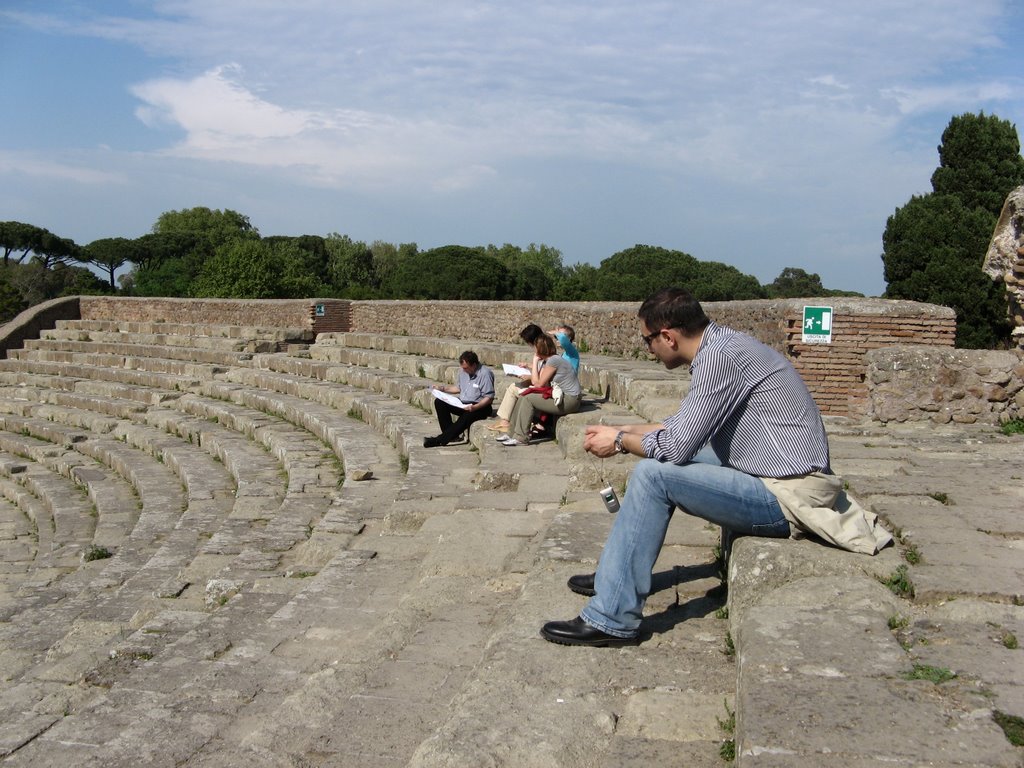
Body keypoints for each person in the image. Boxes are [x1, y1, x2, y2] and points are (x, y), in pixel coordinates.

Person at [540, 287, 889, 647]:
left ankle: (612, 617)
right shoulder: (723, 347)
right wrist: (622, 430)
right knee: (660, 460)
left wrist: (617, 443)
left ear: (668, 337)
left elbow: (675, 447)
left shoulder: (720, 359)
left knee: (654, 475)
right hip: (769, 471)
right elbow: (680, 429)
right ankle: (612, 579)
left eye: (647, 341)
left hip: (789, 496)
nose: (648, 349)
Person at [498, 333, 582, 447]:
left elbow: (538, 384)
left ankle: (521, 437)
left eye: (535, 347)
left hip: (570, 401)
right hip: (565, 397)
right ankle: (511, 433)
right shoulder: (552, 360)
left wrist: (535, 360)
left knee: (528, 399)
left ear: (540, 349)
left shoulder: (553, 361)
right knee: (523, 395)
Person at [424, 350, 495, 448]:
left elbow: (489, 397)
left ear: (474, 365)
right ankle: (451, 435)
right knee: (440, 402)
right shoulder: (463, 371)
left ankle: (439, 440)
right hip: (463, 403)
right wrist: (442, 389)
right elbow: (458, 388)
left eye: (466, 368)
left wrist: (475, 407)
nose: (463, 370)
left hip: (480, 406)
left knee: (466, 417)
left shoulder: (485, 374)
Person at [488, 324, 548, 433]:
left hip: (542, 389)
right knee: (513, 386)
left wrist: (528, 376)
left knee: (513, 389)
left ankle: (505, 421)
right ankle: (505, 420)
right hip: (540, 384)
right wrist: (528, 365)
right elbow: (541, 369)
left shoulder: (543, 352)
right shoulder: (544, 349)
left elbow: (541, 379)